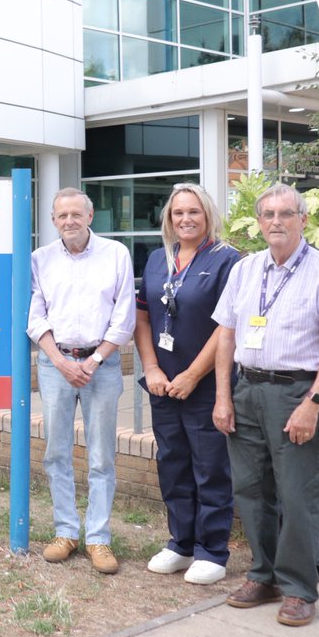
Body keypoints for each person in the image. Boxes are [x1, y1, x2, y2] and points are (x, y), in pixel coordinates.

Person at [212, 183, 319, 627]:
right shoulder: (245, 269)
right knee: (251, 492)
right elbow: (227, 336)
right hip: (246, 390)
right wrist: (222, 396)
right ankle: (263, 575)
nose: (277, 221)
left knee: (299, 495)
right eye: (269, 214)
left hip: (298, 394)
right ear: (259, 222)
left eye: (286, 214)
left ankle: (297, 589)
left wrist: (313, 402)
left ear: (303, 220)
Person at [134, 183, 241, 585]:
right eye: (178, 213)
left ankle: (212, 551)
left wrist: (193, 375)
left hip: (206, 384)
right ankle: (180, 543)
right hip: (163, 385)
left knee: (210, 467)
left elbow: (225, 327)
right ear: (169, 218)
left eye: (193, 211)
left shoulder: (228, 260)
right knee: (173, 464)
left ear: (207, 214)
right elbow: (142, 319)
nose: (185, 219)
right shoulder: (159, 260)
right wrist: (152, 369)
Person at [28, 187, 136, 574]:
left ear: (90, 216)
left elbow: (124, 317)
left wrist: (92, 361)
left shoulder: (116, 255)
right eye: (62, 216)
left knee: (101, 455)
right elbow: (35, 315)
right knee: (56, 453)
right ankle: (65, 532)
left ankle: (99, 538)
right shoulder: (39, 260)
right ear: (53, 221)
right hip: (55, 365)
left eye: (76, 214)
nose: (69, 221)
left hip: (101, 366)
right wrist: (59, 360)